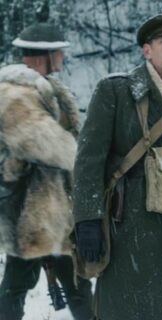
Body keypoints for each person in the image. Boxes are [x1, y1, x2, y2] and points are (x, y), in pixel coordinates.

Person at [72, 13, 162, 320]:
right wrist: (87, 219)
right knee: (131, 305)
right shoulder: (115, 90)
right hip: (131, 218)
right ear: (146, 50)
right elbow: (88, 160)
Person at [0, 23, 93, 320]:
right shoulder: (14, 92)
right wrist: (89, 161)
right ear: (46, 55)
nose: (63, 59)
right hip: (27, 211)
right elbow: (43, 142)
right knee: (15, 287)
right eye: (59, 53)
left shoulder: (46, 89)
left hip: (58, 210)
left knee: (78, 286)